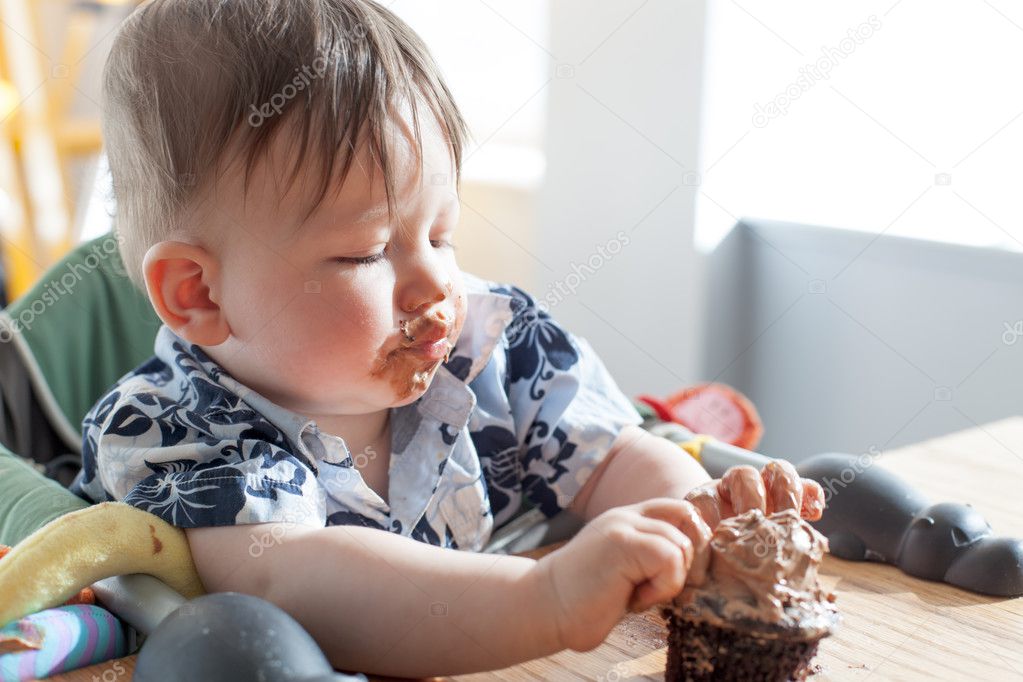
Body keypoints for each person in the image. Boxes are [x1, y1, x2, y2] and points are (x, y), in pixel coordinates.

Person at [70, 0, 825, 676]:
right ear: (199, 293)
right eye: (367, 253)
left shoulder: (493, 348)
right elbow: (297, 583)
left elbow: (612, 456)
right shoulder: (170, 434)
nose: (435, 285)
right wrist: (543, 597)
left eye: (442, 234)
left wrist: (698, 521)